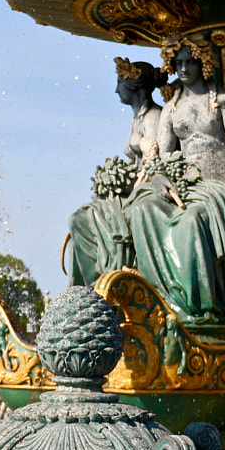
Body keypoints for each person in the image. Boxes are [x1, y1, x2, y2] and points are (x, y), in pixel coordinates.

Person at [123, 34, 225, 324]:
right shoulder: (171, 109)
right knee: (141, 209)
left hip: (221, 184)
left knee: (192, 220)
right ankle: (160, 300)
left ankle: (202, 305)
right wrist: (158, 178)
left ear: (203, 63)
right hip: (186, 185)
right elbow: (160, 156)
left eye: (190, 62)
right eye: (178, 62)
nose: (183, 68)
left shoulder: (221, 102)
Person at [65, 57, 167, 287]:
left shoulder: (153, 117)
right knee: (81, 217)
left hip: (146, 188)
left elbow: (154, 160)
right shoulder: (138, 119)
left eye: (119, 82)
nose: (115, 90)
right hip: (134, 188)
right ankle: (89, 289)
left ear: (133, 85)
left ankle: (103, 283)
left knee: (85, 218)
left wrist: (130, 190)